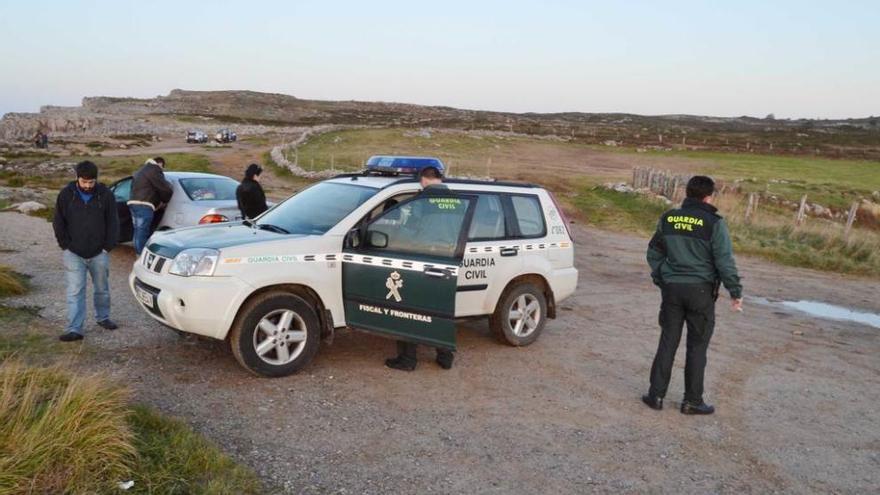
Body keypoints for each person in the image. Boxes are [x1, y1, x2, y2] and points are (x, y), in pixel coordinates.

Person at [643, 175, 743, 415]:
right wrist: (735, 291)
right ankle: (692, 401)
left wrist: (661, 277)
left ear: (686, 193)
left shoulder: (668, 218)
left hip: (672, 289)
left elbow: (654, 252)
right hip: (701, 291)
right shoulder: (714, 223)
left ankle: (656, 395)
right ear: (709, 197)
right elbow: (724, 260)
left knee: (668, 341)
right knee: (697, 346)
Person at [385, 167, 456, 371]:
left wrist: (393, 239)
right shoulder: (456, 199)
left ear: (423, 180)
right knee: (438, 310)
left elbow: (411, 230)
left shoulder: (422, 200)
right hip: (447, 261)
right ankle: (445, 356)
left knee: (410, 311)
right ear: (439, 178)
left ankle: (407, 360)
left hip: (422, 258)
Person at [52, 161, 120, 341]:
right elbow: (58, 222)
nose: (88, 186)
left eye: (91, 182)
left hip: (99, 253)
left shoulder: (105, 195)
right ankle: (75, 329)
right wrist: (65, 245)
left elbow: (113, 222)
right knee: (75, 291)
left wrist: (107, 247)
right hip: (73, 253)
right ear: (77, 178)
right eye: (84, 182)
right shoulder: (66, 195)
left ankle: (103, 318)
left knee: (102, 289)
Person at [127, 157, 173, 255]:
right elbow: (164, 189)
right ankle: (142, 256)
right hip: (144, 204)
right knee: (142, 231)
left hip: (133, 203)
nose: (161, 171)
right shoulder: (154, 170)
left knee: (138, 231)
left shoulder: (141, 170)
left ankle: (138, 254)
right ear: (159, 164)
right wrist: (165, 200)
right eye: (162, 168)